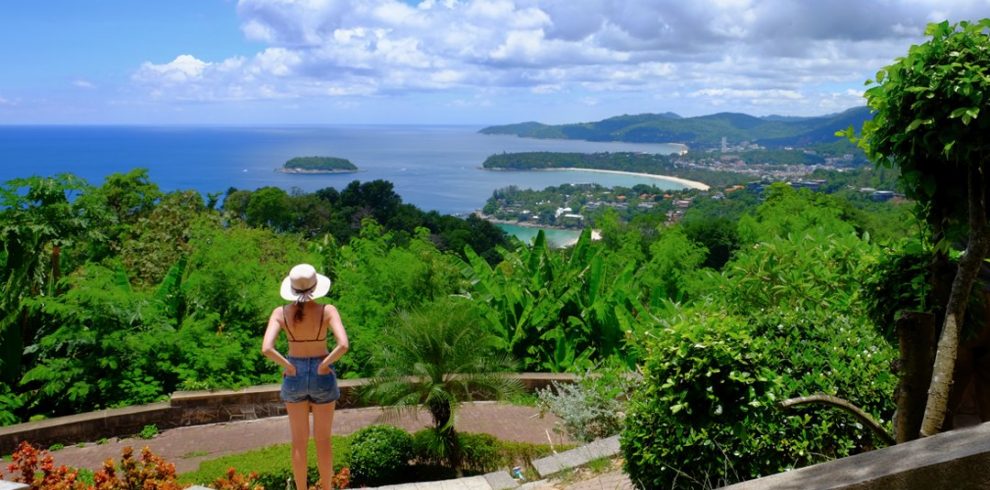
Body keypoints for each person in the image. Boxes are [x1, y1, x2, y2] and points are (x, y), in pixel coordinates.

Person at [262, 264, 349, 490]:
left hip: (294, 376)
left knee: (299, 442)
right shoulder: (328, 310)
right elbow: (343, 345)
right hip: (322, 374)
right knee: (323, 441)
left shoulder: (279, 313)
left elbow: (266, 348)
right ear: (315, 287)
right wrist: (324, 364)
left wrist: (289, 366)